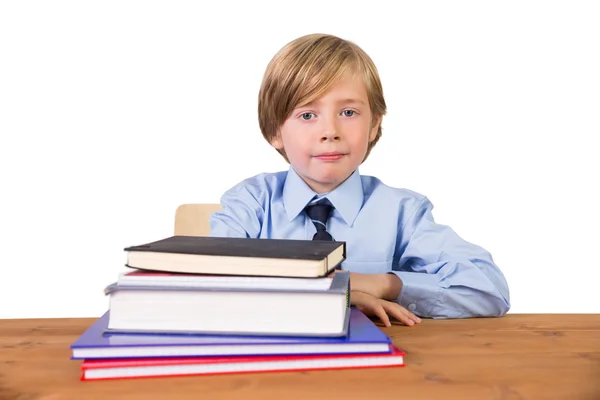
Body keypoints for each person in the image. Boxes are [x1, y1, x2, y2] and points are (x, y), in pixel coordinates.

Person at [209, 33, 510, 327]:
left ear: (374, 125)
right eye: (307, 115)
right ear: (275, 131)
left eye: (349, 112)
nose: (330, 130)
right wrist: (336, 292)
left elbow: (488, 289)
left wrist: (380, 284)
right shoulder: (250, 203)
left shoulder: (402, 212)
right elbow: (210, 284)